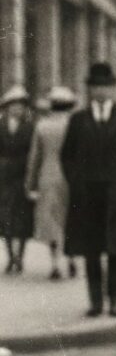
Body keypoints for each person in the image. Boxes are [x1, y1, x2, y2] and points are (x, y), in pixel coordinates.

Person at [61, 63, 116, 317]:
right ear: (90, 90)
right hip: (87, 195)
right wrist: (76, 181)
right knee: (92, 250)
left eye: (106, 87)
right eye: (96, 87)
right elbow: (67, 155)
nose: (101, 92)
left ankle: (115, 301)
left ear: (113, 90)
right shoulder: (78, 120)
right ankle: (96, 303)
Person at [25, 86, 77, 279]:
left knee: (52, 219)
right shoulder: (75, 125)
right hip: (72, 176)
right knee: (70, 217)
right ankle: (71, 258)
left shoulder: (42, 126)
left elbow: (34, 158)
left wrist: (30, 184)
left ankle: (55, 263)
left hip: (48, 175)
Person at [0, 85, 35, 274]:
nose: (17, 109)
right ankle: (9, 256)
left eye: (21, 106)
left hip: (23, 176)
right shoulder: (1, 125)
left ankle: (20, 256)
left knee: (22, 219)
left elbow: (33, 151)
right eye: (14, 106)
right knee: (5, 217)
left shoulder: (30, 127)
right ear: (7, 107)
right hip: (4, 177)